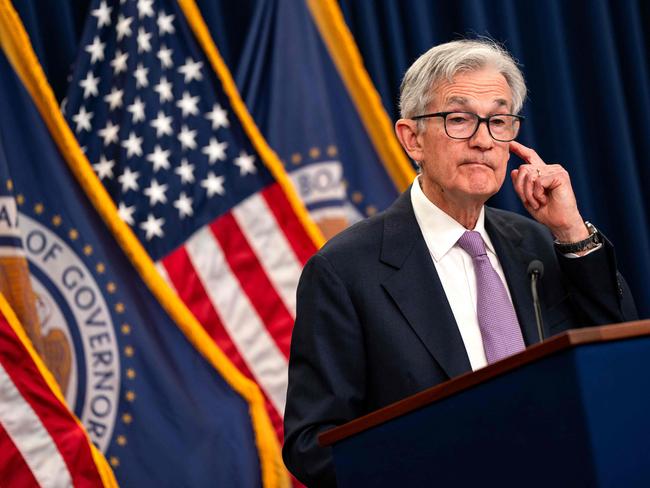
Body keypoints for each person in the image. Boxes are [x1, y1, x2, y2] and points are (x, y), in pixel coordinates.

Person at [282, 39, 637, 487]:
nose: (484, 140)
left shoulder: (537, 243)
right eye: (459, 119)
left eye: (499, 120)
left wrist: (571, 233)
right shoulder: (345, 270)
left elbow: (621, 358)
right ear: (412, 139)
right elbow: (313, 444)